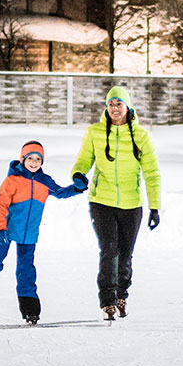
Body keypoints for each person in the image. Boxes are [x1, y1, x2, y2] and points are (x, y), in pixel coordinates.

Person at [71, 86, 162, 321]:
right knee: (109, 250)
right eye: (111, 104)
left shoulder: (141, 136)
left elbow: (152, 173)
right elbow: (83, 160)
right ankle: (108, 301)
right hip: (101, 200)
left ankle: (122, 295)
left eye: (118, 104)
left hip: (132, 204)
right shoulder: (95, 132)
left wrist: (154, 206)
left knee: (125, 254)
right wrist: (79, 174)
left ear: (127, 106)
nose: (114, 108)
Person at [0, 140, 85, 324]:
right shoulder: (12, 181)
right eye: (30, 158)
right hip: (7, 232)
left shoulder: (44, 181)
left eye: (38, 159)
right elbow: (0, 206)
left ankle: (30, 310)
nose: (34, 162)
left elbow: (61, 192)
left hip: (29, 235)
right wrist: (1, 228)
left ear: (42, 162)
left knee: (26, 271)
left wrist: (77, 188)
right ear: (22, 159)